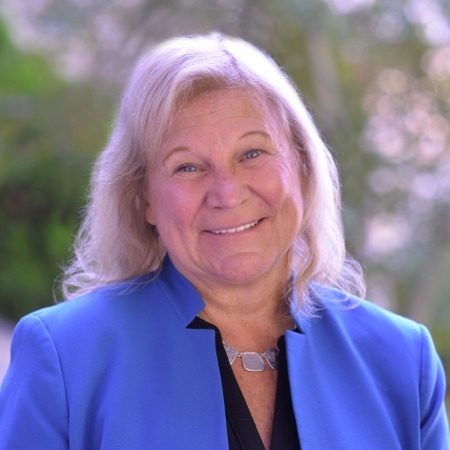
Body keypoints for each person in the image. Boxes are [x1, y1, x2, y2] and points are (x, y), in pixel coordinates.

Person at [0, 33, 448, 450]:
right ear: (144, 201)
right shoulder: (63, 358)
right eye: (188, 167)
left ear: (304, 169)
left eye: (252, 153)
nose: (227, 192)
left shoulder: (404, 361)